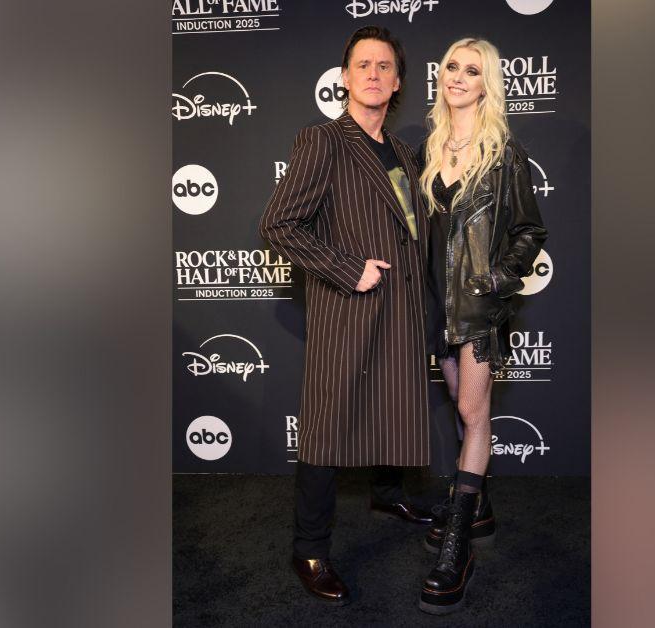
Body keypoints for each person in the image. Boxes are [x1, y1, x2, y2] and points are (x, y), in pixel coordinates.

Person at [259, 26, 433, 606]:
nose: (375, 74)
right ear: (345, 77)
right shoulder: (323, 140)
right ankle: (309, 549)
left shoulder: (405, 153)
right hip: (348, 306)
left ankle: (387, 491)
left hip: (401, 307)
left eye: (386, 66)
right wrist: (346, 266)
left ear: (399, 81)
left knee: (395, 403)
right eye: (364, 65)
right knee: (328, 427)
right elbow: (279, 226)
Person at [416, 37, 548, 615]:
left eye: (473, 70)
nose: (459, 77)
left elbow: (530, 231)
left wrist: (499, 279)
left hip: (478, 308)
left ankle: (456, 550)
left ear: (488, 83)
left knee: (473, 414)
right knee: (459, 407)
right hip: (436, 308)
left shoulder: (504, 152)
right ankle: (482, 509)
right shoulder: (432, 144)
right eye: (451, 67)